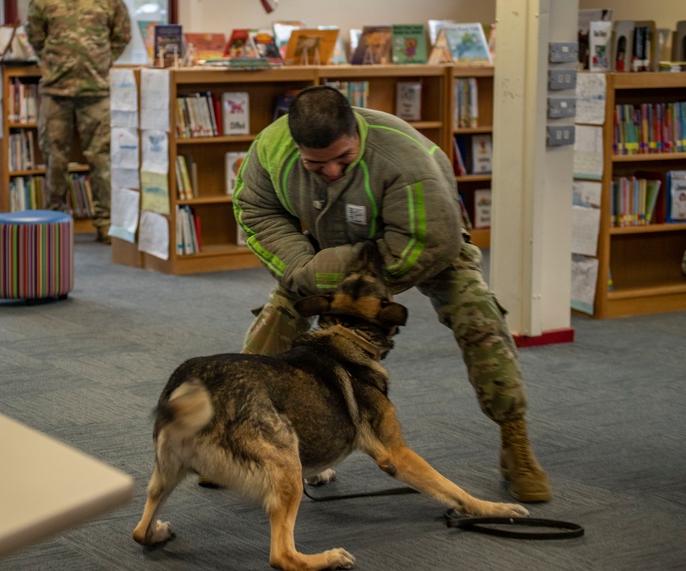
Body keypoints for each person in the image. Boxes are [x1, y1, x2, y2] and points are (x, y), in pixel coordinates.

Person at [231, 85, 551, 503]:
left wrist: (356, 287)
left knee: (479, 318)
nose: (330, 172)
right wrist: (302, 271)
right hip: (329, 252)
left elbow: (430, 240)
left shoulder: (402, 157)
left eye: (343, 160)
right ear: (297, 148)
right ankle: (239, 432)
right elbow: (256, 210)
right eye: (316, 164)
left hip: (425, 245)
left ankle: (515, 442)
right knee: (276, 319)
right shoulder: (271, 151)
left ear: (356, 135)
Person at [27, 0, 131, 243]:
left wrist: (100, 63)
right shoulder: (45, 1)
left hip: (96, 93)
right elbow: (37, 39)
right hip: (56, 93)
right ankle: (54, 223)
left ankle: (105, 224)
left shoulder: (108, 0)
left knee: (101, 159)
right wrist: (58, 63)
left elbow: (121, 36)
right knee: (55, 160)